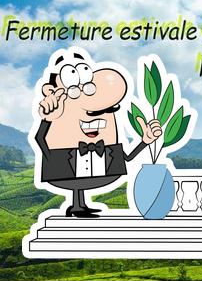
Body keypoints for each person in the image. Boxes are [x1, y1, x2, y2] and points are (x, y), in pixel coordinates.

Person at [32, 48, 162, 218]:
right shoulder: (56, 114)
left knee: (81, 181)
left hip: (97, 163)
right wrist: (48, 122)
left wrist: (145, 140)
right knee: (76, 181)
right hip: (65, 162)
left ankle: (80, 205)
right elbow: (39, 138)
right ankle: (77, 206)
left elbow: (127, 157)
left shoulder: (107, 146)